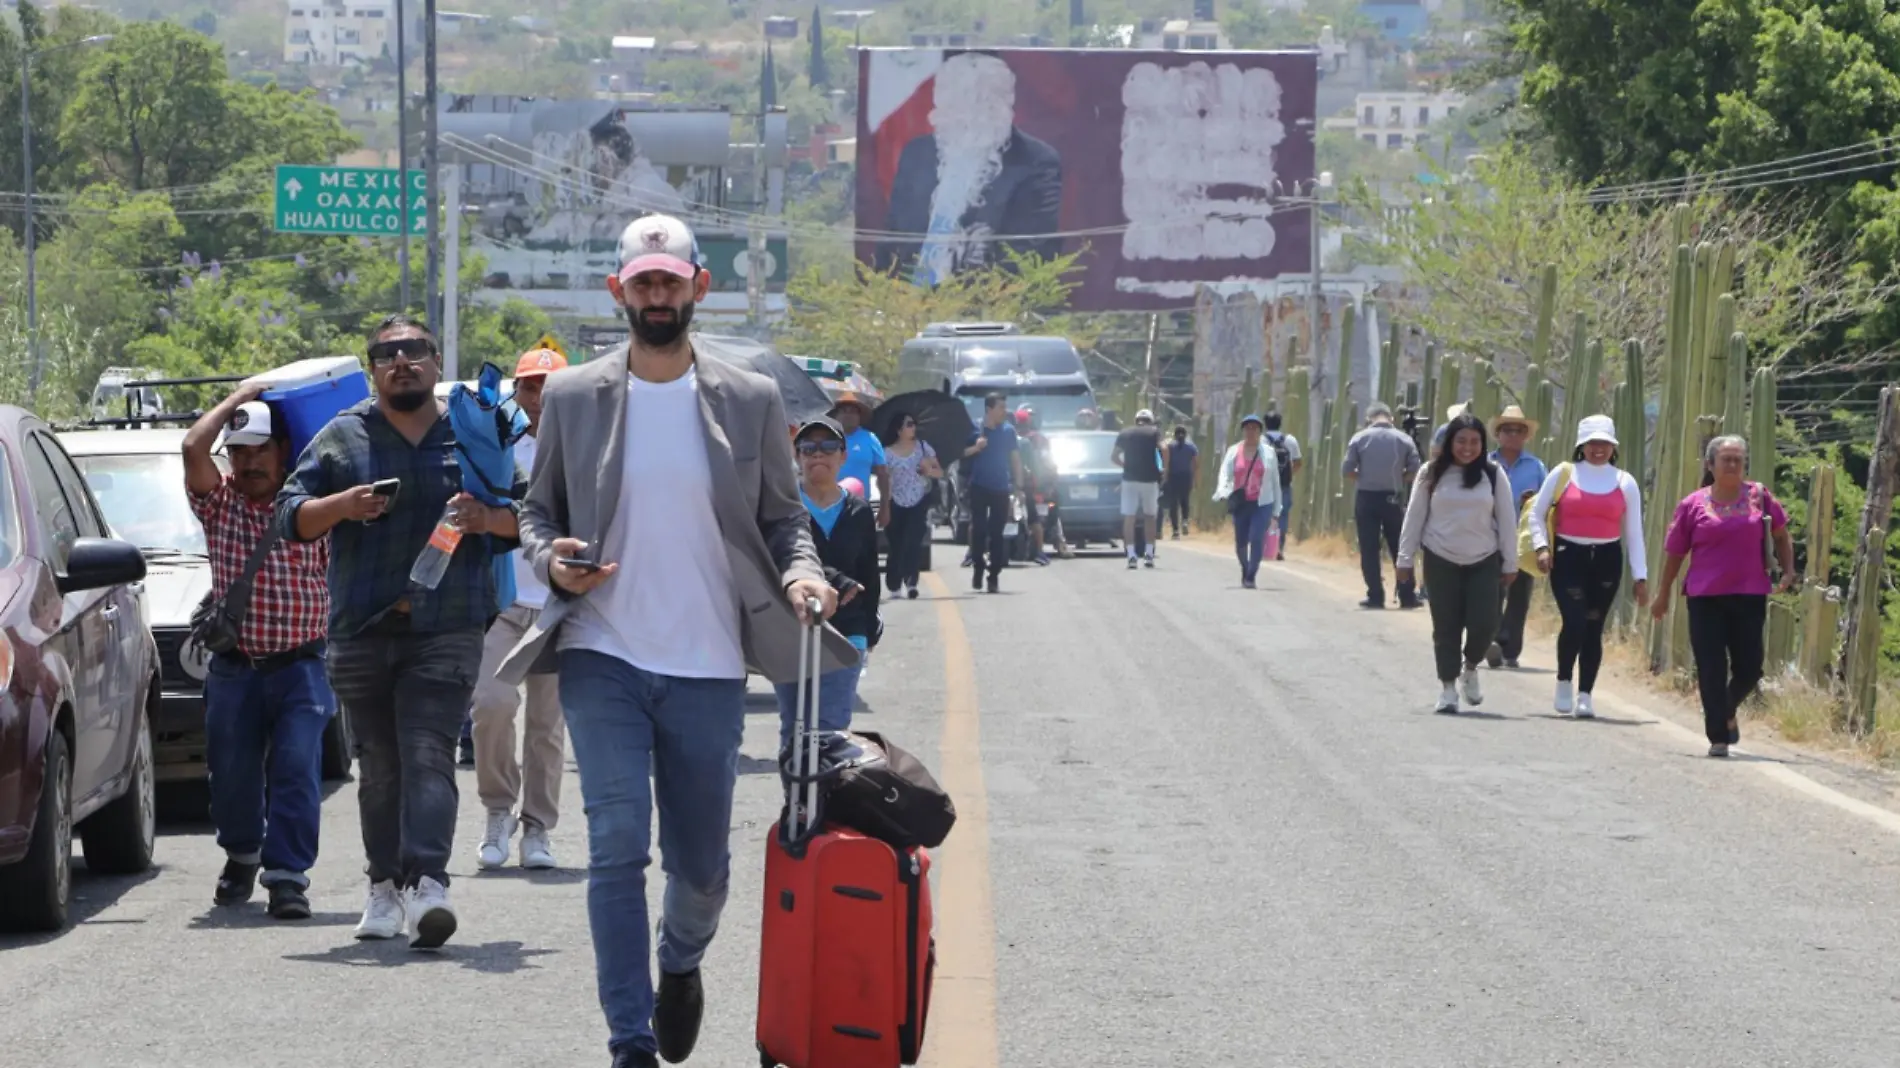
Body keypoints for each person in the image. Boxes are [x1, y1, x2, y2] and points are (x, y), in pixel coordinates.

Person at [498, 213, 843, 1068]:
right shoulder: (574, 396)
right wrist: (551, 559)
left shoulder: (751, 398)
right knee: (616, 846)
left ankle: (679, 962)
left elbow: (782, 518)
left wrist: (802, 574)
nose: (656, 295)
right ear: (619, 290)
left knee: (700, 870)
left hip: (708, 663)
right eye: (641, 281)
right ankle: (630, 1039)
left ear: (698, 287)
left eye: (670, 280)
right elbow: (538, 512)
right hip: (601, 651)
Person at [277, 313, 524, 949]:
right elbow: (289, 518)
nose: (402, 361)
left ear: (437, 363)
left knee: (428, 752)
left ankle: (429, 885)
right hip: (362, 628)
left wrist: (486, 517)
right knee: (380, 767)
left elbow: (531, 517)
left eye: (415, 350)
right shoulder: (343, 436)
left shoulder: (471, 434)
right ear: (373, 369)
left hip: (450, 624)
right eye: (387, 354)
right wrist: (342, 505)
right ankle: (384, 886)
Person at [183, 383, 334, 921]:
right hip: (235, 669)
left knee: (297, 766)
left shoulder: (312, 508)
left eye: (259, 451)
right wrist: (238, 396)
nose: (248, 464)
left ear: (283, 451)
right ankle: (243, 854)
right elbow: (192, 449)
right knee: (232, 771)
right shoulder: (219, 504)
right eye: (239, 452)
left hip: (302, 665)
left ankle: (288, 876)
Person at [473, 348, 569, 872]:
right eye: (531, 388)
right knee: (491, 705)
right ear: (517, 391)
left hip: (558, 605)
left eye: (551, 389)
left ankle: (537, 828)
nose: (541, 399)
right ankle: (496, 810)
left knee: (547, 726)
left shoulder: (585, 445)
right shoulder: (496, 444)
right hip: (504, 602)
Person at [1652, 435, 1797, 757]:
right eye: (1726, 459)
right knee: (1711, 666)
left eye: (1738, 459)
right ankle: (1718, 735)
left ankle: (1724, 709)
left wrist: (1788, 571)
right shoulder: (1692, 505)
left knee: (1750, 667)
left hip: (1749, 594)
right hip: (1705, 597)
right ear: (1710, 465)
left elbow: (1782, 535)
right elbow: (1675, 554)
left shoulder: (1760, 496)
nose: (1732, 465)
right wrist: (1663, 594)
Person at [1396, 413, 1521, 714]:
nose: (1467, 448)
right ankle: (1448, 688)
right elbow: (1414, 517)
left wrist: (1510, 562)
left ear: (1483, 444)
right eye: (1461, 441)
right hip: (1441, 558)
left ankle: (1470, 667)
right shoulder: (1431, 473)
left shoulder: (1492, 474)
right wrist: (1405, 558)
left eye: (1474, 442)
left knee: (1485, 623)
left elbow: (1506, 520)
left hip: (1483, 559)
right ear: (1450, 442)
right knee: (1446, 626)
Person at [1527, 414, 1650, 719]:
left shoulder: (1625, 482)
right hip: (1568, 556)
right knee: (1575, 621)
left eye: (1605, 443)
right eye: (1592, 442)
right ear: (1582, 445)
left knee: (1594, 626)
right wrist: (1542, 547)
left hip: (1607, 559)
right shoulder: (1564, 474)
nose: (1598, 448)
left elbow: (1634, 533)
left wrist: (1641, 576)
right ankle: (1564, 680)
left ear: (1613, 447)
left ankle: (1585, 694)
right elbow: (1536, 514)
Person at [775, 417, 881, 750]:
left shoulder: (859, 511)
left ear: (843, 457)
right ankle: (796, 802)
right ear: (797, 456)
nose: (817, 454)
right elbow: (773, 561)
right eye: (808, 448)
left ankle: (823, 802)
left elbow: (869, 575)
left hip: (847, 633)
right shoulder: (782, 509)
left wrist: (868, 627)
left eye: (828, 447)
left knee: (829, 734)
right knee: (795, 730)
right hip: (792, 630)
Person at [1342, 403, 1423, 609]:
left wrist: (1364, 478)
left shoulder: (1359, 438)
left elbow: (1347, 469)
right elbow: (1416, 469)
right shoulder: (1404, 439)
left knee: (1369, 548)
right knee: (1399, 546)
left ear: (1369, 419)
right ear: (1391, 418)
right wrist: (1398, 478)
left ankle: (1375, 595)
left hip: (1366, 497)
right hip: (1393, 498)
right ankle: (1407, 595)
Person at [1486, 406, 1548, 669]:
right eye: (1507, 430)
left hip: (1523, 540)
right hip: (1489, 537)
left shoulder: (1537, 467)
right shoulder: (1485, 464)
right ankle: (1492, 639)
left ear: (1526, 436)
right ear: (1498, 434)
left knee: (1519, 594)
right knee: (1490, 592)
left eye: (1519, 430)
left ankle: (1510, 649)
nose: (1513, 434)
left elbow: (1547, 503)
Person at [961, 392, 1023, 594]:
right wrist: (975, 448)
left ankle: (994, 575)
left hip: (1001, 488)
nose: (1005, 411)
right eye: (1001, 408)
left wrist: (1019, 486)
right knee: (979, 530)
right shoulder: (975, 429)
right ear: (989, 409)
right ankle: (978, 565)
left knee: (997, 533)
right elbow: (961, 453)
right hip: (978, 486)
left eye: (1005, 407)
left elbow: (1015, 459)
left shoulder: (1008, 431)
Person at [1211, 414, 1282, 589]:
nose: (1251, 432)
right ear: (1243, 431)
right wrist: (1223, 491)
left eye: (1255, 428)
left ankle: (1251, 575)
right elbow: (1225, 474)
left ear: (1260, 431)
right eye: (1248, 428)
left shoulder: (1269, 453)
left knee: (1257, 538)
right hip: (1241, 502)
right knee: (1241, 541)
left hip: (1262, 503)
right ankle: (1245, 567)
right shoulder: (1234, 451)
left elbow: (1275, 482)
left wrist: (1276, 510)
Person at [882, 413, 942, 599]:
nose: (913, 428)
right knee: (896, 544)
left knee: (913, 542)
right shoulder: (886, 453)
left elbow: (939, 472)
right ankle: (894, 583)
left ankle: (911, 582)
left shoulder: (924, 448)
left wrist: (928, 470)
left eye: (914, 424)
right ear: (899, 430)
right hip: (895, 502)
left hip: (918, 501)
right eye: (909, 424)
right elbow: (882, 478)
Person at [1113, 408, 1165, 569]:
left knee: (1129, 517)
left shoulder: (1125, 433)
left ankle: (1131, 554)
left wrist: (1127, 466)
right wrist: (1165, 470)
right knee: (1150, 517)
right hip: (1149, 480)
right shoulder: (1154, 432)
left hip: (1129, 480)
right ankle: (1149, 554)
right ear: (1150, 421)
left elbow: (1114, 457)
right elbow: (1165, 448)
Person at [830, 394, 890, 528]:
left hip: (860, 507)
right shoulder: (827, 438)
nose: (848, 415)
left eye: (853, 411)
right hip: (829, 506)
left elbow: (883, 474)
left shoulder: (870, 439)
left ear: (860, 417)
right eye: (844, 411)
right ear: (836, 415)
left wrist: (885, 507)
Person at [1263, 412, 1302, 559]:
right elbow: (1298, 462)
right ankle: (1279, 547)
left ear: (1265, 424)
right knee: (1283, 515)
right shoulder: (1290, 440)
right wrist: (1289, 474)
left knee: (1265, 514)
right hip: (1284, 485)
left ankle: (1267, 547)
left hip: (1266, 486)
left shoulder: (1262, 441)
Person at [1162, 424, 1198, 539]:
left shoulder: (1170, 446)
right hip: (1186, 476)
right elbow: (1196, 464)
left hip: (1173, 477)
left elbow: (1166, 462)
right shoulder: (1191, 447)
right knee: (1185, 500)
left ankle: (1176, 530)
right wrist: (1195, 479)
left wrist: (1165, 476)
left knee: (1173, 504)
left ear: (1174, 435)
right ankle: (1185, 520)